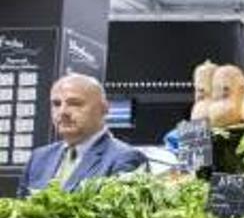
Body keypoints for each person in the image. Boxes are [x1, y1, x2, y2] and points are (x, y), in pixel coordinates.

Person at [18, 74, 147, 198]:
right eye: (56, 104)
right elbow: (19, 215)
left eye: (75, 103)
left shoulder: (125, 158)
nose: (62, 112)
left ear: (104, 108)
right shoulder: (39, 158)